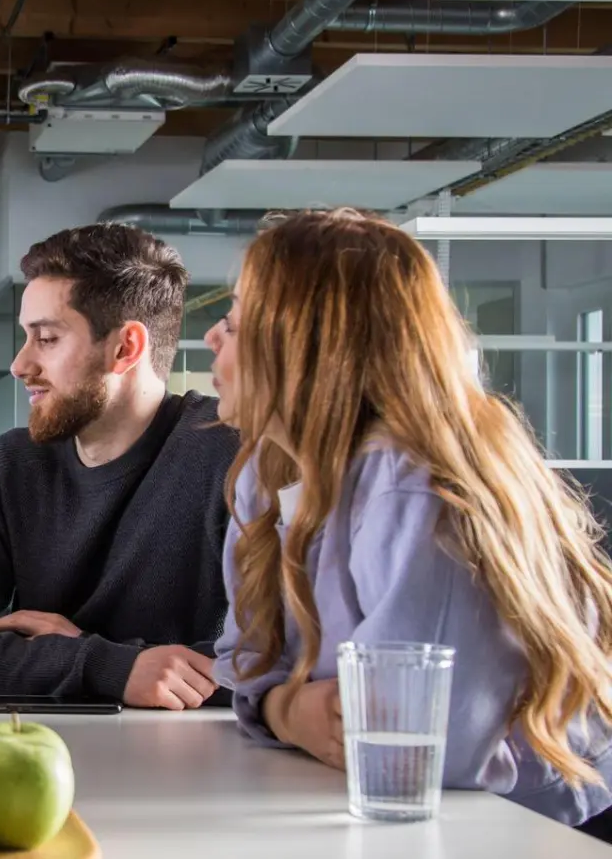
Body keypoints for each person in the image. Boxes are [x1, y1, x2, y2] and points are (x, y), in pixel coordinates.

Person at [208, 208, 612, 828]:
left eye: (234, 323)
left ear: (307, 345)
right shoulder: (271, 472)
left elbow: (416, 743)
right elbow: (244, 665)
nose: (213, 336)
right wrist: (290, 709)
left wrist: (294, 707)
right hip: (403, 818)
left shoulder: (415, 490)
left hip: (526, 829)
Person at [0, 224, 238, 708]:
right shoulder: (9, 466)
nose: (20, 364)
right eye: (25, 337)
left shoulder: (230, 455)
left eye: (47, 339)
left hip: (200, 766)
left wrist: (78, 654)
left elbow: (272, 666)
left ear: (125, 348)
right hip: (36, 751)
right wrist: (105, 667)